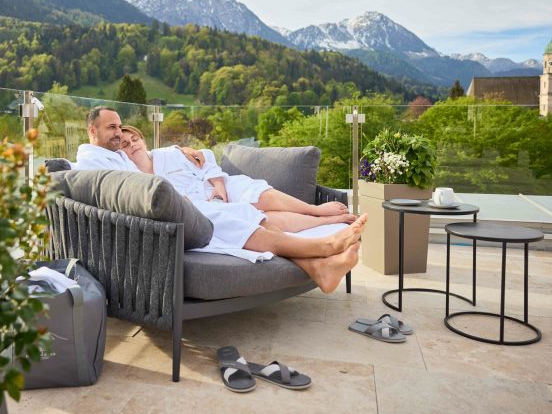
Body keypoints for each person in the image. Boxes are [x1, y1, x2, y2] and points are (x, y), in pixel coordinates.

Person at [72, 106, 365, 293]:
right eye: (112, 128)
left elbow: (200, 163)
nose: (120, 136)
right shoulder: (92, 159)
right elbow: (117, 190)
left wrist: (190, 160)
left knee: (245, 217)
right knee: (233, 219)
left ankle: (319, 267)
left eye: (121, 129)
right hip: (162, 218)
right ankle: (324, 246)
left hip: (178, 206)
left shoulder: (120, 157)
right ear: (92, 130)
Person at [120, 124, 357, 232]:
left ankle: (314, 210)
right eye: (125, 144)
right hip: (204, 207)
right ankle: (324, 222)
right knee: (262, 219)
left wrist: (220, 188)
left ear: (143, 140)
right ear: (120, 151)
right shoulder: (131, 177)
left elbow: (207, 160)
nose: (132, 145)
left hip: (220, 188)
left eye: (135, 139)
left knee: (260, 193)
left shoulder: (169, 153)